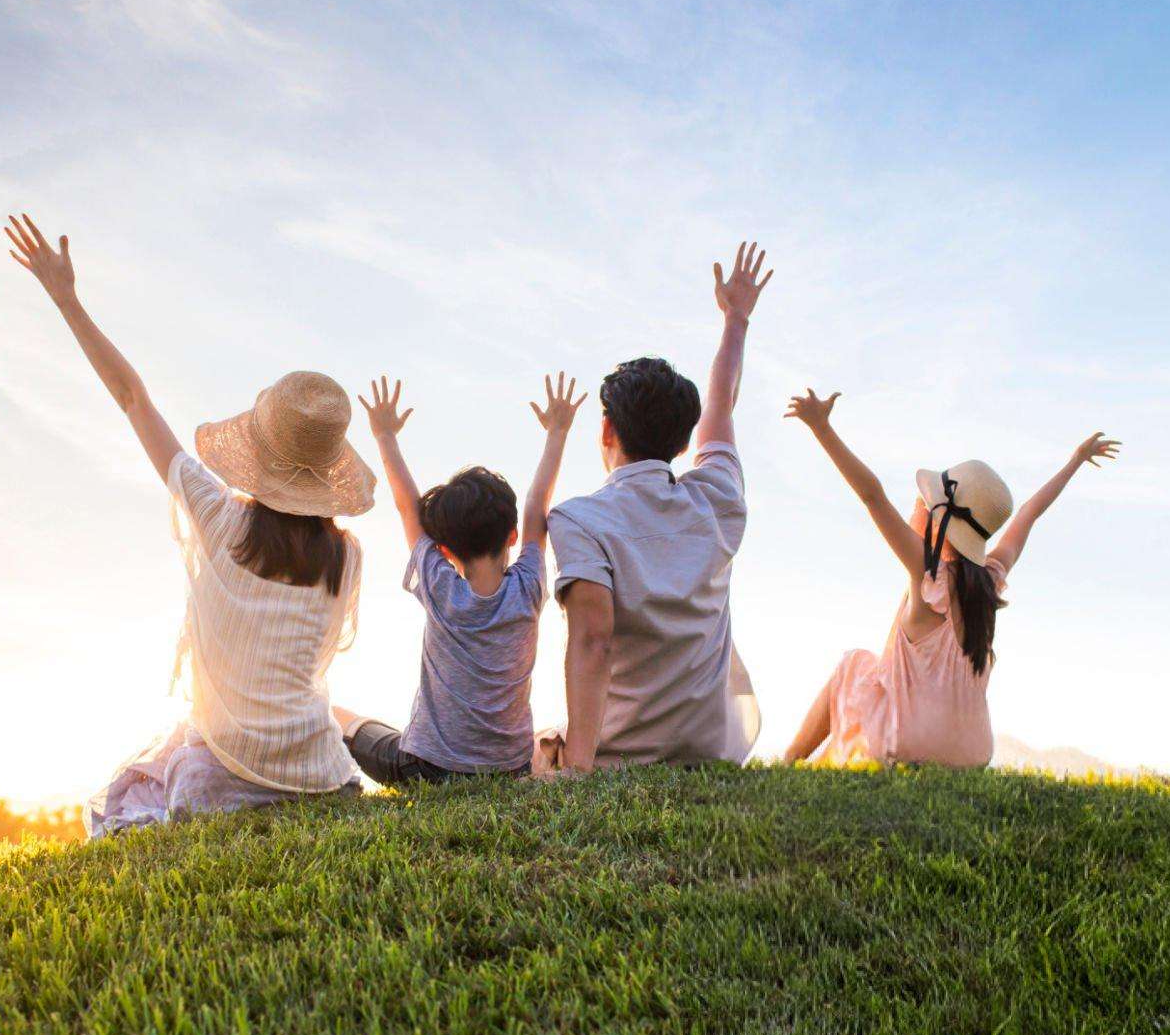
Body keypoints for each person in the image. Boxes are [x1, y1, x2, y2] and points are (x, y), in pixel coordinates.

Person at [1, 214, 374, 832]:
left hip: (220, 778)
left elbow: (132, 399)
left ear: (258, 452)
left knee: (133, 790)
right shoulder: (348, 555)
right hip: (320, 774)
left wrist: (67, 301)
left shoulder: (218, 515)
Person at [780, 389, 1120, 768]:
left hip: (914, 743)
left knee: (854, 664)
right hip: (973, 752)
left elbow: (872, 496)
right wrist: (1076, 461)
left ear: (937, 518)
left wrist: (821, 427)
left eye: (924, 504)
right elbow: (1029, 513)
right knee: (876, 673)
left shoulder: (926, 575)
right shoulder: (990, 581)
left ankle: (790, 758)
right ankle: (804, 757)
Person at [543, 242, 773, 772]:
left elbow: (593, 641)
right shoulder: (717, 496)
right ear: (684, 441)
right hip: (709, 753)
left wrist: (577, 770)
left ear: (606, 429)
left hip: (621, 756)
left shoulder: (578, 520)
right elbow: (722, 400)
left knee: (527, 749)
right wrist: (736, 320)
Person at [337, 372, 586, 782]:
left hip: (425, 768)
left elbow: (408, 508)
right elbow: (537, 504)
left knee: (341, 717)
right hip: (509, 768)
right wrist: (558, 431)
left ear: (446, 550)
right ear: (512, 536)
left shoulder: (440, 585)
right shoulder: (528, 587)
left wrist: (384, 436)